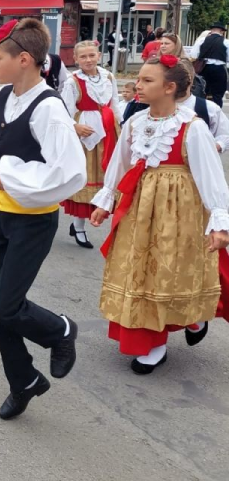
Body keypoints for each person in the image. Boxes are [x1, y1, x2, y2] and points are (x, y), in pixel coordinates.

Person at [0, 18, 87, 419]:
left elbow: (69, 172)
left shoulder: (50, 108)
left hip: (33, 220)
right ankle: (25, 381)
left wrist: (9, 175)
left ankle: (59, 330)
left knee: (5, 304)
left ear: (25, 59)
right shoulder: (0, 96)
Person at [90, 56, 229, 374]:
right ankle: (154, 338)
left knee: (166, 273)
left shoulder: (192, 128)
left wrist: (219, 221)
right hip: (139, 209)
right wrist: (105, 200)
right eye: (139, 79)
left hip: (177, 214)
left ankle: (163, 336)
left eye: (147, 80)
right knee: (139, 270)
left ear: (169, 88)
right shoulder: (136, 124)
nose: (137, 84)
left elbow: (211, 178)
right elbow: (119, 164)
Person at [61, 40, 123, 249]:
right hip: (85, 136)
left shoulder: (108, 76)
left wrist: (121, 128)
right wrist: (75, 127)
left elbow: (114, 103)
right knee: (88, 178)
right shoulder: (73, 82)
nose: (88, 60)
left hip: (108, 132)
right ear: (76, 59)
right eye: (83, 57)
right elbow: (64, 111)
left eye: (91, 55)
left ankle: (106, 222)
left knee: (108, 177)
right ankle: (79, 226)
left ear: (99, 55)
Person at [188, 20, 229, 108]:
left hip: (204, 68)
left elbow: (193, 54)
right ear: (221, 31)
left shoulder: (202, 40)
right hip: (219, 69)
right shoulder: (226, 42)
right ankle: (216, 110)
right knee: (218, 93)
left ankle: (202, 110)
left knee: (202, 90)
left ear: (211, 30)